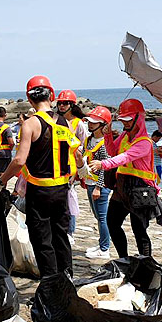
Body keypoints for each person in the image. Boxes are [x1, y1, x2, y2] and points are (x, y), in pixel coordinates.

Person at [0, 75, 82, 276]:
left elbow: (20, 161)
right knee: (60, 237)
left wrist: (0, 182)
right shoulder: (66, 123)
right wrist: (83, 169)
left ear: (30, 100)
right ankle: (67, 280)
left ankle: (50, 287)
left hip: (40, 192)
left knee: (42, 240)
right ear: (52, 96)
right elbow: (76, 154)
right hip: (62, 190)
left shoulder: (30, 124)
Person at [88, 99, 162, 258]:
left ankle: (146, 263)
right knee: (112, 223)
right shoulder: (123, 136)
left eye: (128, 120)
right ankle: (124, 259)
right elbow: (113, 151)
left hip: (140, 189)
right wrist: (107, 135)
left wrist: (103, 164)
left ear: (138, 118)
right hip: (122, 188)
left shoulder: (144, 143)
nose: (125, 123)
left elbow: (125, 157)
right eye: (122, 120)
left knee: (139, 230)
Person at [81, 106, 112, 259]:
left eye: (94, 122)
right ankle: (102, 243)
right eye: (90, 121)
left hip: (100, 186)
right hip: (89, 182)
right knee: (97, 216)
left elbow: (105, 168)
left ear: (103, 124)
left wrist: (99, 187)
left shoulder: (105, 143)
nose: (90, 124)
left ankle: (105, 249)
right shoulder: (89, 139)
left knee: (102, 217)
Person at [56, 90, 87, 243]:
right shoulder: (55, 120)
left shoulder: (78, 124)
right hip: (56, 165)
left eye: (65, 103)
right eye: (59, 103)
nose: (62, 105)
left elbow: (84, 145)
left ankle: (70, 232)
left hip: (71, 166)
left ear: (72, 105)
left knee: (70, 199)